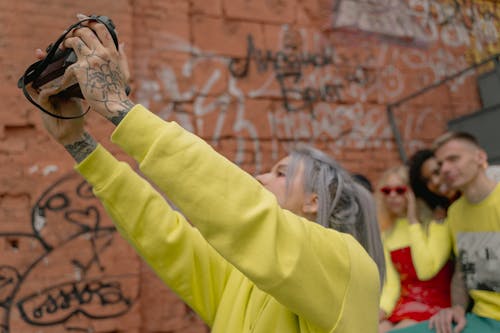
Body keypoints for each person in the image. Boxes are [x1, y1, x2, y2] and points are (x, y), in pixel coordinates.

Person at [27, 20, 385, 333]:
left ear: (315, 200)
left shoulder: (350, 269)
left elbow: (245, 212)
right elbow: (165, 235)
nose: (259, 176)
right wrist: (79, 144)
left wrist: (118, 107)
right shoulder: (241, 279)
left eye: (281, 173)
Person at [391, 132, 500, 333]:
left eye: (453, 159)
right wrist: (457, 307)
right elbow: (461, 270)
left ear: (480, 157)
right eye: (441, 164)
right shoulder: (455, 213)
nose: (446, 169)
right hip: (479, 318)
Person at [376, 166, 453, 333]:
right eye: (387, 191)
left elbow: (426, 269)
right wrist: (380, 312)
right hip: (403, 306)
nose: (392, 196)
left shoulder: (437, 223)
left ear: (412, 192)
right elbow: (391, 286)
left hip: (436, 305)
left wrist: (412, 220)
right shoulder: (386, 235)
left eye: (400, 190)